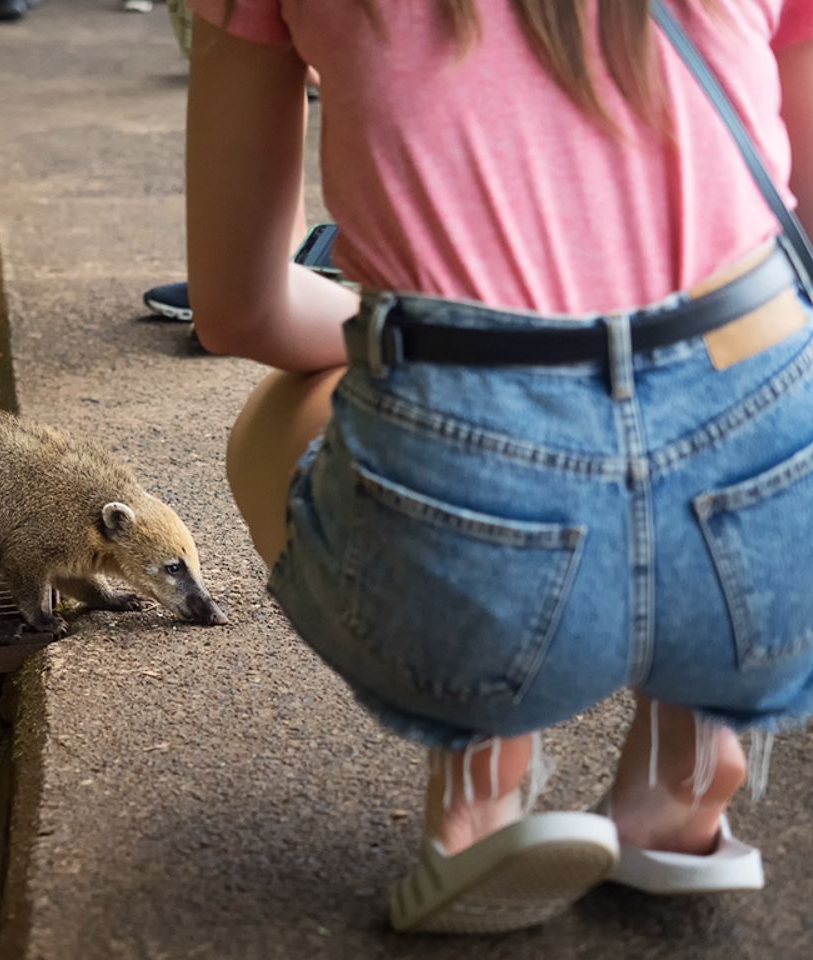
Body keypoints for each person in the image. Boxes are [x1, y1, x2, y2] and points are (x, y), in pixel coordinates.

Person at [185, 0, 813, 935]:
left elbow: (239, 313)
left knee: (281, 419)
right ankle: (689, 767)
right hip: (770, 561)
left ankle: (480, 788)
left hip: (479, 566)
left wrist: (428, 347)